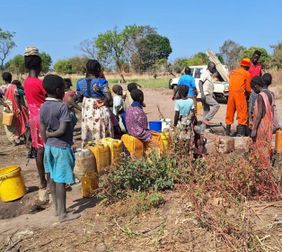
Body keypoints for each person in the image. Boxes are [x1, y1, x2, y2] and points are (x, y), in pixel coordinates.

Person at [40, 74, 80, 222]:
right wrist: (52, 135)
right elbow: (62, 130)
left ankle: (57, 210)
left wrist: (46, 141)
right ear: (58, 90)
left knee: (52, 179)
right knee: (61, 181)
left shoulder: (43, 106)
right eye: (63, 89)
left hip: (49, 148)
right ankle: (63, 214)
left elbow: (42, 129)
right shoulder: (62, 106)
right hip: (61, 147)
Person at [23, 47, 47, 189]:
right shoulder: (40, 83)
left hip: (32, 117)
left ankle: (42, 180)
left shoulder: (26, 82)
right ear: (39, 65)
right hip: (42, 117)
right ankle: (50, 179)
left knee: (39, 149)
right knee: (47, 148)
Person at [76, 59, 113, 147]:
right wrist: (102, 103)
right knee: (101, 131)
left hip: (87, 111)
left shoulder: (80, 82)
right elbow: (108, 98)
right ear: (98, 69)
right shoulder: (101, 82)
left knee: (88, 132)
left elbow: (79, 98)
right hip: (98, 109)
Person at [250, 76, 274, 168]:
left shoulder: (260, 95)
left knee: (259, 147)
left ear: (256, 86)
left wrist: (254, 129)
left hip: (261, 125)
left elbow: (260, 113)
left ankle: (261, 168)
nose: (253, 91)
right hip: (268, 124)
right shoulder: (270, 94)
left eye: (253, 88)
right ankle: (267, 167)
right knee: (266, 146)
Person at [225, 58, 251, 136]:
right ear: (248, 66)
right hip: (240, 95)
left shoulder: (232, 72)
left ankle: (227, 131)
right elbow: (248, 89)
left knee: (230, 112)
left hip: (231, 94)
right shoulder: (246, 73)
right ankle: (240, 133)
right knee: (242, 113)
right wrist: (248, 95)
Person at [3, 75, 29, 145]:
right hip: (16, 107)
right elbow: (17, 97)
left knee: (10, 124)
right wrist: (18, 108)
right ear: (11, 78)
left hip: (7, 107)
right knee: (22, 122)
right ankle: (21, 138)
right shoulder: (14, 87)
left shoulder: (2, 87)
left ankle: (13, 139)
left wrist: (4, 104)